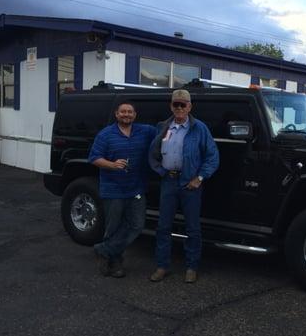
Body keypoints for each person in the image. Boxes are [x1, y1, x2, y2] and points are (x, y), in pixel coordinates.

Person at [149, 89, 219, 283]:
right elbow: (152, 152)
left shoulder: (200, 129)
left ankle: (191, 267)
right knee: (163, 226)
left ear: (190, 106)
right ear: (171, 106)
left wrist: (200, 178)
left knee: (192, 228)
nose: (179, 108)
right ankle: (162, 266)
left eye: (183, 104)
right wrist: (160, 171)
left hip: (190, 184)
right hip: (168, 181)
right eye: (175, 104)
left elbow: (212, 156)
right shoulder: (163, 127)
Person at [88, 101, 157, 278]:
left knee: (136, 225)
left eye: (130, 112)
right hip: (113, 190)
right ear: (117, 115)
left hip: (136, 188)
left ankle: (103, 250)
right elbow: (94, 158)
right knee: (113, 227)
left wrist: (178, 115)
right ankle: (114, 263)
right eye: (123, 112)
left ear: (135, 115)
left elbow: (164, 130)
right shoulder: (106, 134)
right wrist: (112, 164)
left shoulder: (145, 131)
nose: (126, 114)